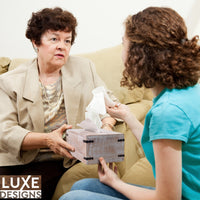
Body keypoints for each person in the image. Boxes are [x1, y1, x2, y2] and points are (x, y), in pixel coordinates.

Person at [59, 7, 200, 200]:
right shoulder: (185, 93)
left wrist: (117, 183)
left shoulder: (168, 111)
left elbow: (167, 198)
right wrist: (128, 117)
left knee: (70, 198)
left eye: (123, 43)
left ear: (138, 55)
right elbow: (163, 143)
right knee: (81, 185)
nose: (121, 50)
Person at [0, 7, 116, 199]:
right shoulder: (9, 81)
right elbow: (5, 131)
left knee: (16, 194)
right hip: (16, 159)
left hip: (55, 161)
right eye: (54, 39)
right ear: (36, 42)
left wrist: (107, 125)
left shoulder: (83, 68)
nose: (62, 46)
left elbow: (109, 103)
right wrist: (46, 139)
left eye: (67, 40)